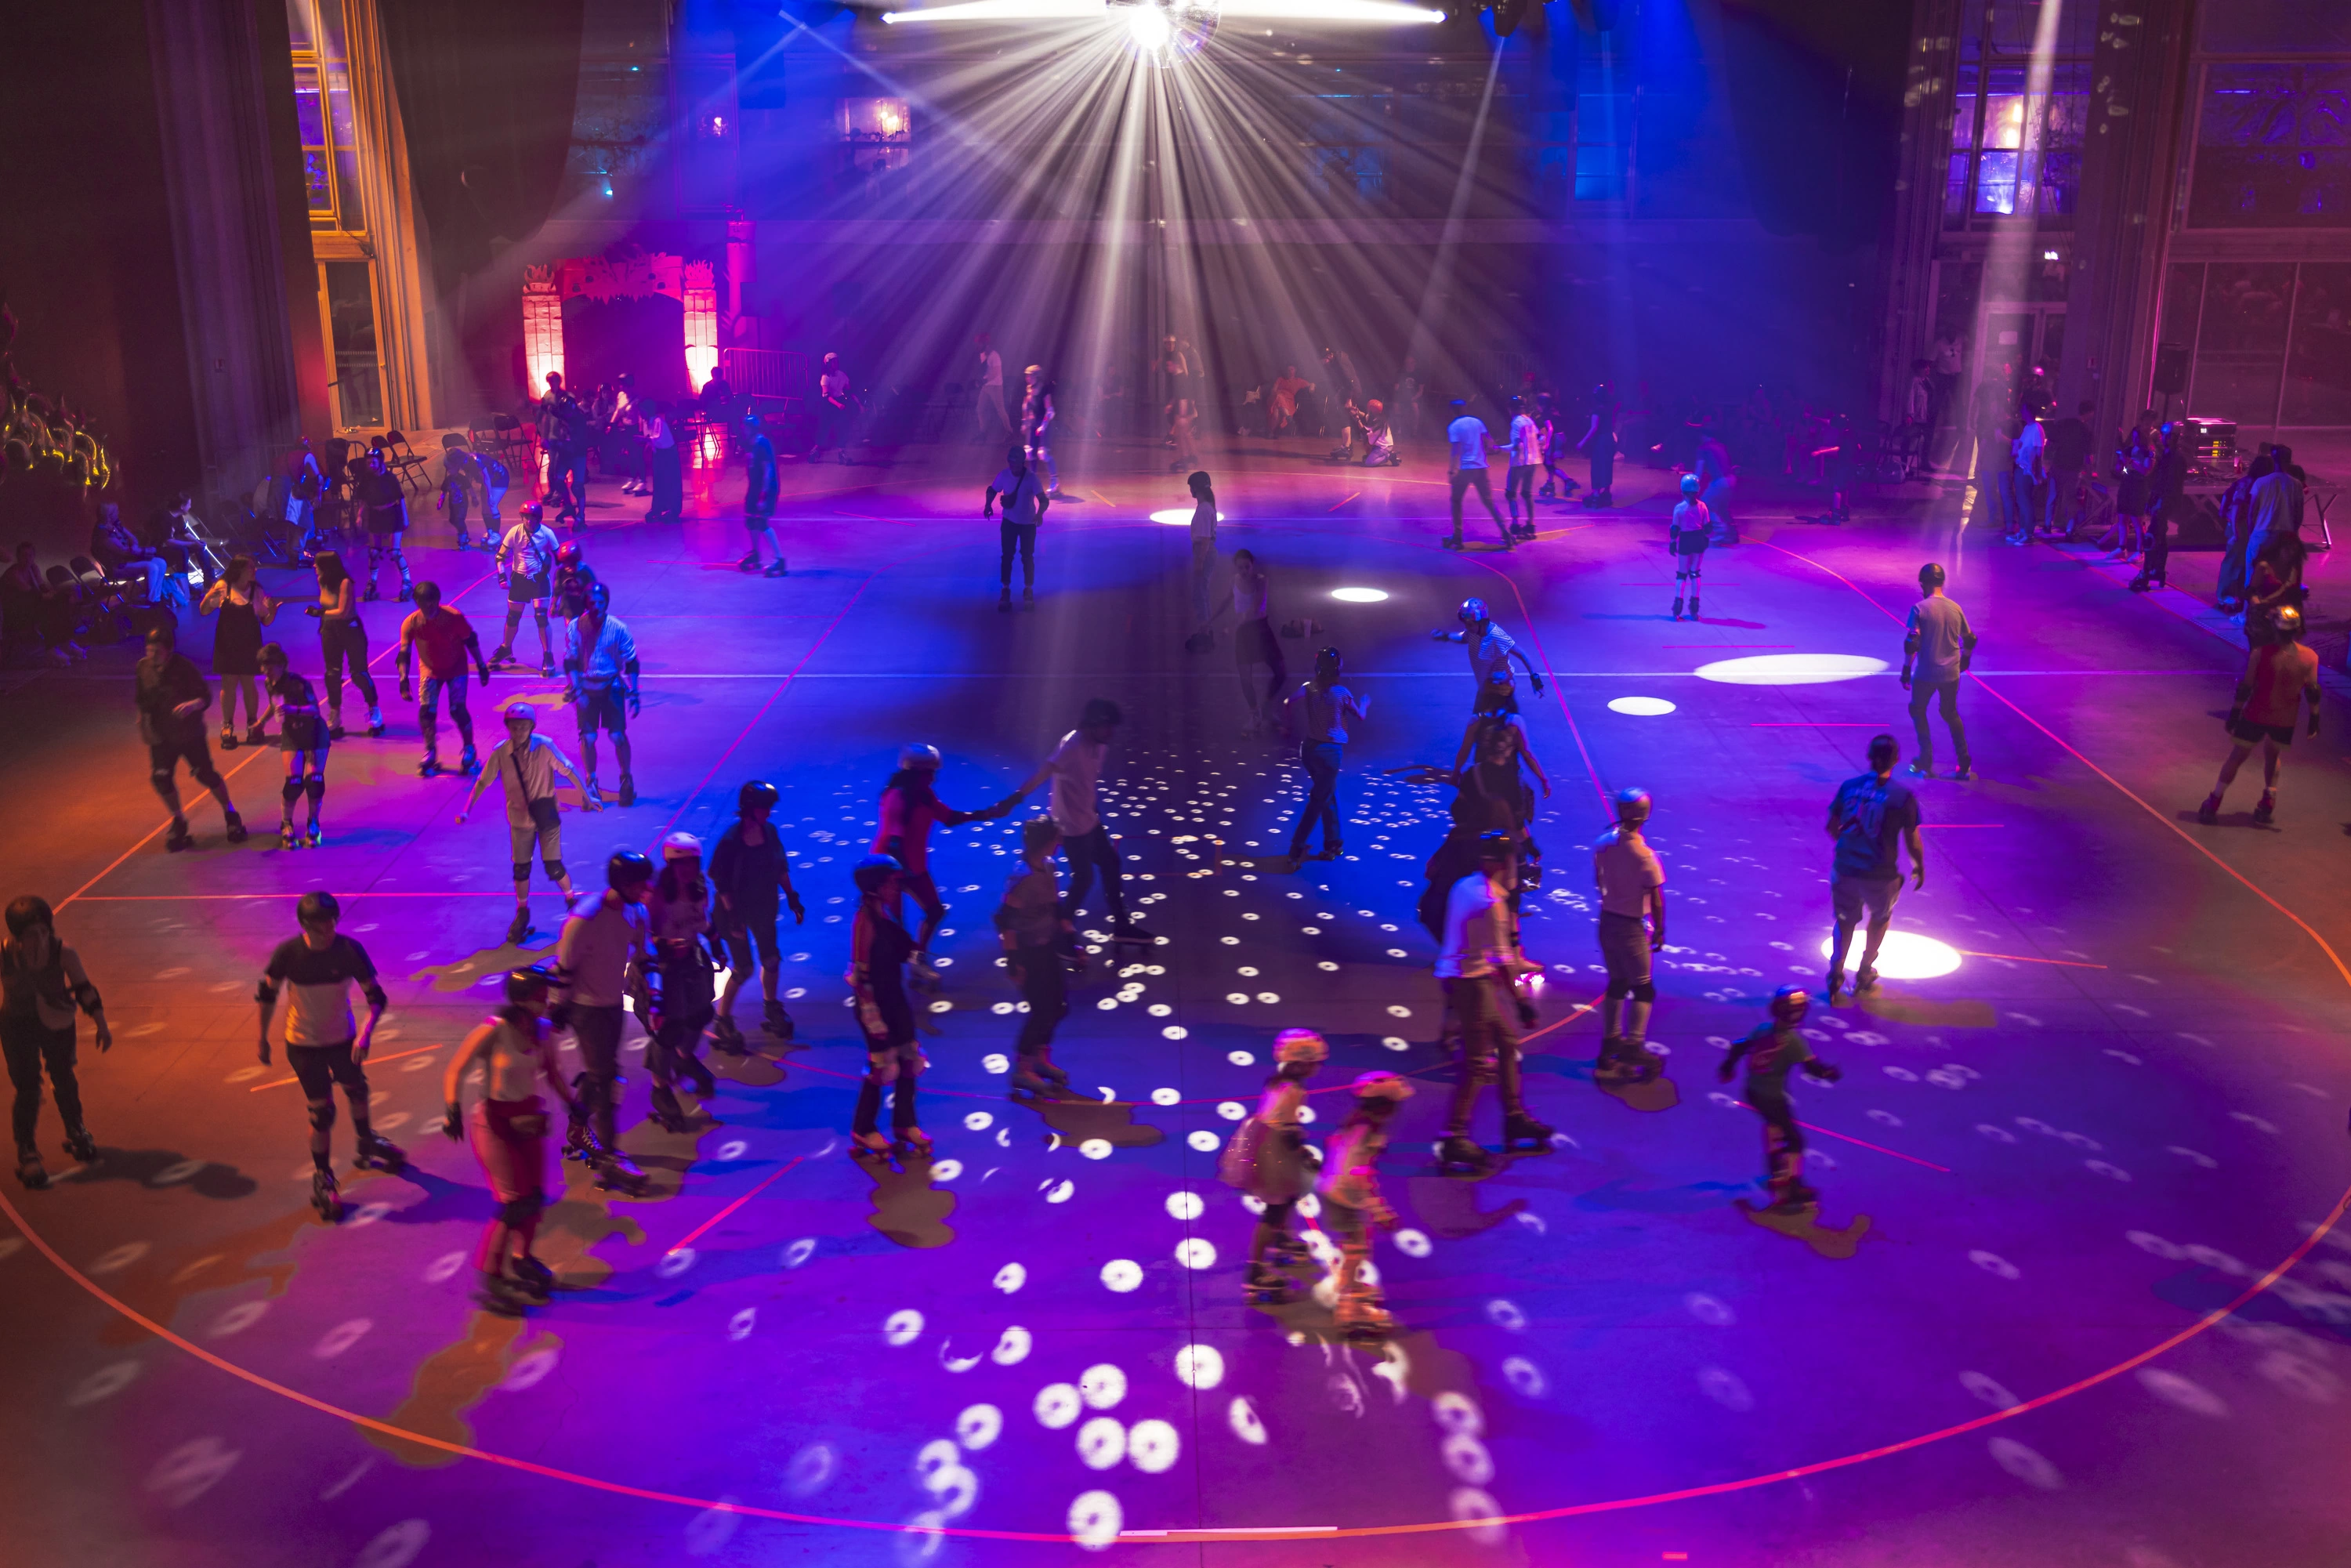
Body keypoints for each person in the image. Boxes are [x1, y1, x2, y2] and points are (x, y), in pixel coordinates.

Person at [440, 965, 578, 1314]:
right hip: (494, 1122)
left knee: (534, 1198)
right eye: (538, 997)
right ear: (519, 1000)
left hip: (529, 1120)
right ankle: (491, 1275)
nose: (545, 1001)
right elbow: (457, 1068)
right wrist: (452, 1109)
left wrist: (574, 1105)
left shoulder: (543, 1031)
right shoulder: (494, 1030)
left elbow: (554, 1073)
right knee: (513, 1203)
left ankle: (522, 1258)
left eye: (545, 995)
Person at [256, 891, 398, 1222]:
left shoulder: (349, 950)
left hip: (342, 1039)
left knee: (358, 1090)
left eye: (333, 921)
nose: (329, 930)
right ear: (305, 926)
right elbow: (267, 995)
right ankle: (323, 1176)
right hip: (303, 1043)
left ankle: (366, 1141)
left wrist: (365, 1033)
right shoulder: (288, 954)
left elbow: (376, 997)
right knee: (322, 1113)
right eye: (321, 926)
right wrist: (262, 1038)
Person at [1434, 830, 1548, 1172]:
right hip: (1473, 984)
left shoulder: (1464, 886)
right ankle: (1455, 1136)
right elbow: (1503, 959)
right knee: (1477, 1063)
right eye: (1514, 860)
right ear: (1502, 863)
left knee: (1508, 1042)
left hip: (1460, 976)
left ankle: (1514, 1115)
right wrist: (1522, 1002)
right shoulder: (1492, 901)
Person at [552, 848, 654, 1193]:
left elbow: (643, 957)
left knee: (602, 1075)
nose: (645, 889)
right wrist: (556, 1009)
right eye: (639, 884)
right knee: (607, 1078)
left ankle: (578, 1125)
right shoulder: (585, 919)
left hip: (613, 1004)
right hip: (586, 1008)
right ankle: (610, 1157)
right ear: (621, 883)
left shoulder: (637, 913)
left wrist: (651, 993)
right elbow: (563, 969)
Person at [458, 702, 600, 945]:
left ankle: (571, 901)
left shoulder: (544, 746)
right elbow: (483, 782)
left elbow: (569, 770)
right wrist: (466, 809)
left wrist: (587, 796)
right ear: (508, 728)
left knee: (553, 866)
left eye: (524, 727)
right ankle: (522, 912)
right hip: (519, 819)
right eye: (515, 728)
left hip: (545, 816)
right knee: (521, 869)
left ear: (532, 727)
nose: (519, 732)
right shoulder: (501, 752)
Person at [872, 744, 1011, 990]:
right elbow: (894, 842)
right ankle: (888, 973)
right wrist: (900, 877)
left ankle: (917, 958)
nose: (935, 777)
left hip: (912, 865)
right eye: (930, 772)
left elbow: (949, 817)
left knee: (935, 911)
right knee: (895, 925)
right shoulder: (898, 797)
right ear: (917, 772)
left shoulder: (923, 793)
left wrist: (985, 814)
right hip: (890, 869)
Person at [1009, 698, 1145, 943]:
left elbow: (1087, 783)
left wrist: (1095, 812)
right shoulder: (1072, 746)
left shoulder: (1101, 746)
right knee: (1084, 879)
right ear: (1093, 725)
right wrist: (1014, 799)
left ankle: (1121, 926)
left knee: (1110, 865)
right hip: (1070, 827)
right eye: (1107, 727)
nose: (1111, 732)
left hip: (1089, 821)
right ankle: (1060, 932)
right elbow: (1044, 773)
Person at [3, 896, 110, 1190]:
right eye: (30, 935)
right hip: (17, 1024)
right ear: (17, 936)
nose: (38, 939)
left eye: (43, 931)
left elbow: (84, 990)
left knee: (64, 1078)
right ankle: (27, 1150)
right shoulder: (4, 954)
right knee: (27, 1088)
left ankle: (76, 1129)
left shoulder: (63, 952)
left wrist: (101, 1024)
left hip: (57, 1021)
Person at [1216, 1027, 1328, 1305]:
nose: (1319, 1067)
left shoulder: (1278, 1081)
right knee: (1277, 1207)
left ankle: (1282, 1239)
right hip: (1275, 1151)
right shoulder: (1293, 1089)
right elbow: (1289, 1131)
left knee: (1286, 1200)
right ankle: (1255, 1270)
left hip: (1267, 1144)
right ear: (1301, 1063)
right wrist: (1304, 1155)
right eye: (1315, 1062)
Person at [1718, 986, 1842, 1214]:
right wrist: (1830, 1073)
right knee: (1796, 1141)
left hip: (1753, 1092)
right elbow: (1813, 1069)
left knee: (1774, 1129)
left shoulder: (1763, 1030)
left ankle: (1776, 1174)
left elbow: (1738, 1047)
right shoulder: (1793, 1043)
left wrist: (1727, 1068)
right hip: (1772, 1097)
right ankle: (1789, 1188)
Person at [2198, 604, 2320, 827]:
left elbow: (2246, 687)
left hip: (2256, 713)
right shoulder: (2310, 657)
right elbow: (2313, 691)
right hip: (2285, 718)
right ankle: (2268, 802)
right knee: (2273, 757)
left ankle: (2214, 800)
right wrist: (2314, 719)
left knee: (2237, 756)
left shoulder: (2260, 653)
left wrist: (2235, 713)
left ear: (2275, 627)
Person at [1825, 734, 1925, 999]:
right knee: (1880, 918)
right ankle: (1865, 970)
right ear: (1897, 760)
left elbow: (1831, 826)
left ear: (1869, 757)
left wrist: (1848, 847)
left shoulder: (1849, 787)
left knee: (1844, 920)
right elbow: (1912, 840)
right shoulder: (1902, 796)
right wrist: (1919, 866)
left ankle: (1836, 969)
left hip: (1845, 867)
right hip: (1879, 872)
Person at [135, 620, 248, 852]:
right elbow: (142, 701)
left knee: (206, 775)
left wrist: (192, 705)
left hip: (189, 734)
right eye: (149, 650)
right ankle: (178, 819)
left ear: (169, 651)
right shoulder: (143, 668)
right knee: (161, 778)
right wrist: (143, 727)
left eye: (157, 651)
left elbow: (205, 697)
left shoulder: (183, 668)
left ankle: (230, 813)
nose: (152, 655)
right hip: (161, 736)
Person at [710, 780, 806, 1048]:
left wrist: (792, 896)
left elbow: (780, 867)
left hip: (763, 907)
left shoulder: (770, 832)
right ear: (750, 809)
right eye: (765, 808)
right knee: (744, 968)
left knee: (772, 959)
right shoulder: (731, 841)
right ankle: (723, 1020)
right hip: (734, 911)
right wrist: (732, 916)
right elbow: (719, 879)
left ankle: (771, 1007)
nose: (769, 813)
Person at [1319, 1071, 1414, 1338]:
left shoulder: (1354, 1123)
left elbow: (1334, 1147)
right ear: (1385, 1106)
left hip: (1332, 1189)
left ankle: (1347, 1285)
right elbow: (1361, 1175)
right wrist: (1380, 1211)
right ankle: (1349, 1305)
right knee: (1357, 1247)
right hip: (1346, 1196)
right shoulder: (1371, 1132)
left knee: (1356, 1244)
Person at [848, 854, 927, 1159]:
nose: (897, 888)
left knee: (909, 1060)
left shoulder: (884, 915)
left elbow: (905, 948)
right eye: (892, 883)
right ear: (875, 886)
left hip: (894, 997)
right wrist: (872, 1017)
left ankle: (904, 1124)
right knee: (881, 1067)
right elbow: (860, 974)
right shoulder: (864, 921)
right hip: (875, 1004)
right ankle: (863, 1128)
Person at [642, 832, 720, 1133]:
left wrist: (717, 945)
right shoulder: (657, 894)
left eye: (693, 863)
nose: (689, 869)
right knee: (669, 1027)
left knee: (701, 1014)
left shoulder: (699, 887)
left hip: (691, 956)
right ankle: (659, 1087)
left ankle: (684, 1058)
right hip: (662, 965)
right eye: (683, 864)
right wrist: (664, 944)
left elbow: (701, 921)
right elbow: (643, 935)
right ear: (671, 865)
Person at [994, 815, 1078, 1097]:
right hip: (1028, 953)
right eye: (1056, 838)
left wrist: (1070, 942)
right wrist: (1013, 962)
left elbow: (1056, 907)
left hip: (1047, 948)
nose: (1060, 843)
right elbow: (1004, 921)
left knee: (1058, 1006)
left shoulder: (1048, 867)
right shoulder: (1022, 877)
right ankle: (1022, 1068)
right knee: (1042, 1010)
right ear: (1045, 841)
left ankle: (1040, 1059)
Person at [1592, 788, 1666, 1085]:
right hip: (1632, 927)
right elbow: (1657, 898)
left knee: (1617, 983)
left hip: (1607, 920)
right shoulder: (1646, 856)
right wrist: (1660, 928)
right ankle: (1634, 1046)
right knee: (1644, 989)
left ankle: (1610, 1042)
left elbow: (1599, 881)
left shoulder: (1602, 844)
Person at [1278, 646, 1368, 867]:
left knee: (1327, 793)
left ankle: (1333, 843)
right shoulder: (1343, 693)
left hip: (1309, 751)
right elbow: (1361, 717)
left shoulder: (1309, 688)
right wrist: (1365, 703)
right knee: (1318, 801)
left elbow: (1288, 702)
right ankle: (1296, 848)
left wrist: (1288, 728)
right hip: (1330, 754)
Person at [397, 581, 491, 777]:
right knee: (427, 713)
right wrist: (403, 678)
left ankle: (469, 748)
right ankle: (430, 750)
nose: (429, 607)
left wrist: (482, 665)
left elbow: (471, 641)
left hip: (456, 668)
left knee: (457, 710)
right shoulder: (411, 623)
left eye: (432, 602)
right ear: (417, 602)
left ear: (438, 601)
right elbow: (404, 653)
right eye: (424, 603)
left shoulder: (453, 617)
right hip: (430, 671)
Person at [563, 579, 640, 806]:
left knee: (617, 735)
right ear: (586, 603)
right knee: (588, 737)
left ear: (606, 603)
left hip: (611, 686)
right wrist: (576, 688)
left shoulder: (618, 628)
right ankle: (591, 780)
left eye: (600, 602)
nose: (596, 606)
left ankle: (626, 779)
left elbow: (632, 662)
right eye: (592, 602)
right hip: (586, 687)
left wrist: (634, 692)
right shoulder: (575, 626)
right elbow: (570, 660)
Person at [1197, 549, 1287, 733]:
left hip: (1261, 630)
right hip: (1244, 635)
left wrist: (1232, 626)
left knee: (1281, 672)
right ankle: (1255, 715)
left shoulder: (1262, 581)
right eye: (1241, 567)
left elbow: (1254, 608)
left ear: (1253, 565)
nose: (1245, 570)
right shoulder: (1234, 581)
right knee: (1245, 678)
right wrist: (1210, 621)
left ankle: (1267, 706)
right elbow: (1226, 602)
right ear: (1236, 568)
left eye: (1247, 566)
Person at [1902, 564, 1976, 780]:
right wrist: (1966, 659)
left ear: (1923, 583)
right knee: (1950, 713)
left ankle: (1925, 759)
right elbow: (1970, 638)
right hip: (1950, 673)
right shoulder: (1955, 608)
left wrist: (1906, 670)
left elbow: (1912, 642)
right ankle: (1964, 762)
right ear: (1942, 582)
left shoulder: (1920, 608)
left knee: (1917, 709)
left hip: (1926, 672)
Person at [199, 556, 279, 749]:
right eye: (251, 567)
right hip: (227, 645)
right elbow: (203, 611)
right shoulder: (223, 587)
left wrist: (273, 612)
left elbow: (265, 621)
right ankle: (227, 726)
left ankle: (252, 723)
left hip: (250, 644)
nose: (255, 570)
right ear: (240, 570)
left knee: (248, 684)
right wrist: (208, 597)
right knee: (229, 685)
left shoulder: (256, 591)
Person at [255, 643, 330, 848]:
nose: (264, 671)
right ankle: (286, 824)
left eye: (268, 667)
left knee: (314, 782)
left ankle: (313, 823)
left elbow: (314, 709)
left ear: (281, 665)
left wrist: (292, 709)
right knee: (294, 783)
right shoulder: (271, 683)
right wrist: (261, 722)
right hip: (292, 735)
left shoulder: (298, 684)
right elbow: (275, 705)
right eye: (262, 667)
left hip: (314, 734)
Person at [306, 550, 384, 739]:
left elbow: (342, 611)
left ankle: (375, 710)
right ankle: (335, 713)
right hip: (330, 631)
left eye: (317, 563)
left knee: (358, 673)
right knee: (332, 673)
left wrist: (319, 613)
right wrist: (323, 617)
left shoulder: (345, 583)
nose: (314, 567)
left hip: (350, 630)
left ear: (327, 566)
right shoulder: (322, 581)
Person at [1449, 668, 1552, 795]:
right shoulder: (1514, 721)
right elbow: (1526, 754)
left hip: (1482, 778)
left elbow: (1464, 751)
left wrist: (1456, 773)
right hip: (1508, 778)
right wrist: (1543, 780)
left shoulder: (1475, 721)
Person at [1433, 597, 1546, 704]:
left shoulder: (1497, 636)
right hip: (1485, 687)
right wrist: (1445, 636)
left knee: (1493, 723)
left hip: (1501, 688)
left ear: (1481, 622)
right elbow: (1463, 637)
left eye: (1470, 624)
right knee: (1479, 722)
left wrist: (1535, 679)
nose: (1467, 627)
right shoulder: (1474, 631)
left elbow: (1521, 654)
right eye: (1466, 624)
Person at [494, 502, 561, 675]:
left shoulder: (547, 534)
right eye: (525, 517)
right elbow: (500, 556)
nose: (528, 521)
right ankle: (506, 648)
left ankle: (548, 655)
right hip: (519, 579)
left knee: (541, 617)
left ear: (539, 519)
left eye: (532, 518)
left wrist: (559, 576)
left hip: (539, 580)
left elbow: (559, 557)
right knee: (513, 617)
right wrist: (502, 576)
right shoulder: (515, 532)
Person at [984, 442, 1051, 612]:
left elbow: (1043, 499)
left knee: (1027, 557)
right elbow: (992, 490)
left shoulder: (1031, 478)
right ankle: (1005, 590)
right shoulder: (1004, 475)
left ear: (1022, 462)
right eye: (1010, 462)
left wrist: (1040, 514)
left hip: (1028, 524)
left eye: (1015, 463)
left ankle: (1028, 590)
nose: (1012, 466)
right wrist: (988, 505)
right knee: (1007, 556)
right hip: (1009, 522)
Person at [2, 541, 88, 667]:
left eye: (30, 555)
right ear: (18, 557)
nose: (28, 559)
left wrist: (60, 595)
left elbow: (42, 589)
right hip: (15, 615)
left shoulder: (33, 569)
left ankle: (66, 642)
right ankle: (52, 648)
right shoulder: (13, 574)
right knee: (50, 609)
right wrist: (53, 596)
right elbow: (31, 594)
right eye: (24, 556)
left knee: (60, 603)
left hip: (31, 608)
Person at [1443, 399, 1510, 552]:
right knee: (1489, 502)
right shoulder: (1477, 422)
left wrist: (1451, 471)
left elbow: (1455, 450)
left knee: (1456, 500)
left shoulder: (1454, 426)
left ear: (1452, 412)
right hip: (1481, 467)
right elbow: (1489, 440)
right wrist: (1491, 448)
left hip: (1466, 468)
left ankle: (1458, 537)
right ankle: (1506, 533)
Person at [92, 502, 179, 613]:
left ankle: (155, 598)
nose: (118, 513)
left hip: (127, 561)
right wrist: (143, 551)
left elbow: (134, 540)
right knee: (151, 566)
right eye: (116, 512)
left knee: (161, 562)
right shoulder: (102, 533)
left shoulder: (115, 526)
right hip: (117, 567)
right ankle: (151, 601)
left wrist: (132, 543)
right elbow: (123, 551)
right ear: (109, 515)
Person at [352, 447, 413, 600]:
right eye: (368, 463)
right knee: (374, 552)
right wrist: (359, 515)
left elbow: (401, 497)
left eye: (373, 462)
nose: (370, 465)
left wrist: (405, 518)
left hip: (393, 514)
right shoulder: (366, 479)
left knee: (395, 553)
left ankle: (407, 583)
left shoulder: (390, 478)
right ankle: (372, 583)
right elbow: (363, 499)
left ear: (380, 462)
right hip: (375, 515)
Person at [2133, 420, 2186, 592]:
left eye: (2165, 435)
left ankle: (2146, 573)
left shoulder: (2175, 459)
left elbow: (2169, 485)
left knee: (2151, 537)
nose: (2162, 438)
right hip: (2161, 501)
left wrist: (2159, 503)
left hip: (2164, 502)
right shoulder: (2168, 456)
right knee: (2160, 537)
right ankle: (2158, 570)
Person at [737, 411, 788, 577]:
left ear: (752, 429)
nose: (743, 430)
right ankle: (755, 554)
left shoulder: (762, 443)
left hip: (766, 488)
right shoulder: (750, 444)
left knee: (762, 522)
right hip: (755, 487)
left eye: (746, 427)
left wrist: (763, 496)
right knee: (751, 520)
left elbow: (768, 470)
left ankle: (779, 560)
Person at [539, 372, 591, 530]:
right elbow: (548, 411)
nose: (564, 417)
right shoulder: (563, 412)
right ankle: (568, 507)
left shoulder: (579, 421)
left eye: (566, 413)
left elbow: (575, 444)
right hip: (565, 453)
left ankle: (581, 516)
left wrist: (556, 444)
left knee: (577, 486)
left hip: (577, 455)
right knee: (558, 481)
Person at [2042, 400, 2094, 538]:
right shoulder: (2086, 430)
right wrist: (2091, 471)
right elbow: (2088, 455)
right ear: (2089, 413)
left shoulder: (2065, 423)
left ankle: (2047, 524)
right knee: (2071, 499)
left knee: (2052, 496)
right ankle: (2070, 529)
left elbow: (2050, 442)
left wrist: (2047, 460)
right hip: (2073, 469)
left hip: (2058, 465)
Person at [1669, 475, 1711, 621]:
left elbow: (1675, 529)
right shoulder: (1702, 506)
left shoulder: (1679, 508)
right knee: (1695, 573)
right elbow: (1708, 527)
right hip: (1698, 539)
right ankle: (1694, 610)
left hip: (1685, 540)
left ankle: (1677, 610)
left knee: (1682, 574)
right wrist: (1706, 540)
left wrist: (1673, 542)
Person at [2110, 425, 2154, 563]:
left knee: (2137, 521)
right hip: (2127, 484)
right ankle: (2122, 548)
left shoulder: (2148, 453)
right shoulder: (2129, 450)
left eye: (2137, 437)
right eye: (2133, 437)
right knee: (2122, 518)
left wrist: (2132, 462)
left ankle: (2140, 551)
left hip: (2139, 487)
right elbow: (2122, 471)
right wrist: (2121, 463)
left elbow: (2146, 471)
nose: (2134, 440)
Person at [1184, 469, 1219, 635]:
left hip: (1203, 552)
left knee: (1199, 593)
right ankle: (1207, 626)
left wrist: (1199, 561)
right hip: (1206, 551)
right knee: (1202, 591)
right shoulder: (1208, 507)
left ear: (1196, 488)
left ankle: (1204, 629)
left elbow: (1205, 539)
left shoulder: (1204, 509)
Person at [1503, 394, 1541, 541]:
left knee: (1511, 493)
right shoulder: (1530, 421)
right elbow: (1540, 438)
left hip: (1519, 462)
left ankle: (1515, 523)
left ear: (1511, 409)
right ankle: (1531, 524)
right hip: (1533, 461)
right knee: (1527, 493)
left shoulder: (1516, 423)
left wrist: (1498, 448)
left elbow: (1516, 445)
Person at [1020, 365, 1062, 497]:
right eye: (1027, 375)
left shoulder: (1044, 389)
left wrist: (1043, 426)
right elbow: (1026, 407)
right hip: (1033, 424)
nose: (1027, 378)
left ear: (1036, 377)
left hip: (1044, 423)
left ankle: (1055, 483)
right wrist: (1025, 422)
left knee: (1043, 454)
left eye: (1030, 375)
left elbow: (1050, 411)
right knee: (1029, 453)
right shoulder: (1029, 389)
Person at [2007, 406, 2047, 547]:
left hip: (2027, 471)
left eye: (2024, 410)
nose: (2021, 413)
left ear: (2029, 412)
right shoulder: (2027, 428)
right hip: (2021, 467)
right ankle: (2023, 531)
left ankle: (2028, 534)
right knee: (2021, 501)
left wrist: (2037, 474)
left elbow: (2038, 453)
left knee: (2026, 501)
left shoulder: (2036, 429)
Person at [1577, 383, 1618, 507]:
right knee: (1607, 466)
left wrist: (1583, 441)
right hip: (1609, 438)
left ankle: (1596, 495)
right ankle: (1606, 492)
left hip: (1601, 440)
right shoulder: (1609, 409)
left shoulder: (1597, 410)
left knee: (1597, 466)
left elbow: (1594, 428)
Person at [642, 400, 683, 523]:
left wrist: (644, 440)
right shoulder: (646, 422)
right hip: (659, 453)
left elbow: (657, 438)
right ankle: (658, 508)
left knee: (671, 481)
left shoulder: (658, 421)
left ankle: (674, 510)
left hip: (668, 453)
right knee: (659, 482)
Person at [813, 353, 853, 462]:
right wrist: (838, 404)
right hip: (828, 404)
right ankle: (816, 450)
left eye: (837, 361)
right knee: (825, 429)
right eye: (833, 361)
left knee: (842, 427)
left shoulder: (841, 374)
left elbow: (848, 388)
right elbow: (827, 396)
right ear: (828, 363)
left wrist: (855, 402)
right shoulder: (825, 378)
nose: (836, 363)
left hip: (839, 401)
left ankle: (842, 452)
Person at [974, 333, 1010, 443]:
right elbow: (985, 371)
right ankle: (983, 433)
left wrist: (983, 381)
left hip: (995, 386)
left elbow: (996, 373)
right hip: (986, 386)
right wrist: (980, 380)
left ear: (985, 344)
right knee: (980, 409)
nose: (977, 346)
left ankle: (1009, 432)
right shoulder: (983, 355)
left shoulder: (995, 356)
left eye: (979, 344)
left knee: (1000, 409)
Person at [1268, 364, 1313, 437]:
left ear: (1295, 370)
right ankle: (1288, 417)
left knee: (1276, 414)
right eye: (1288, 370)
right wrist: (1274, 394)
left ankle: (1271, 432)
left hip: (1289, 401)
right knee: (1280, 396)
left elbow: (1311, 384)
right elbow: (1274, 389)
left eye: (1292, 369)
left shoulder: (1298, 381)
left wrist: (1312, 386)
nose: (1290, 371)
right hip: (1276, 398)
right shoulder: (1281, 379)